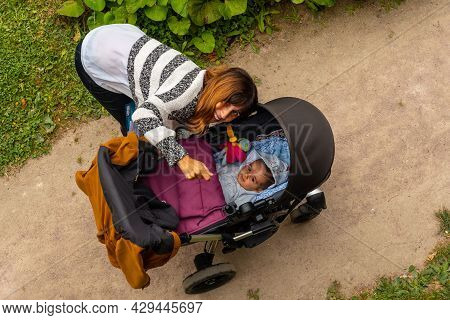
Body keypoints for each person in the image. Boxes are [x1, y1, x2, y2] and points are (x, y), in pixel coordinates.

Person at [74, 24, 258, 181]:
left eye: (234, 112)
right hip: (98, 53)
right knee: (130, 118)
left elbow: (173, 110)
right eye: (226, 103)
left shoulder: (205, 83)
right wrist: (182, 158)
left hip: (125, 41)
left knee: (151, 106)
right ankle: (132, 156)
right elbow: (143, 116)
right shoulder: (185, 92)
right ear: (219, 89)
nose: (224, 114)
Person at [216, 149, 289, 207]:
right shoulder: (234, 167)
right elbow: (218, 166)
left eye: (253, 179)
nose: (247, 174)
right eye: (249, 169)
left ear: (258, 190)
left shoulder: (246, 197)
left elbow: (233, 209)